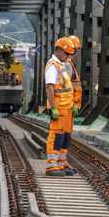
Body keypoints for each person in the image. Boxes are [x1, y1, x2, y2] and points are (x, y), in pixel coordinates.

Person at [44, 37, 77, 176]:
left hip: (67, 108)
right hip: (59, 108)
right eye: (67, 53)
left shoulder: (62, 65)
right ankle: (52, 166)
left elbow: (67, 88)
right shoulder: (53, 66)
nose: (68, 56)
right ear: (59, 50)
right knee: (56, 136)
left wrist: (74, 104)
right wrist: (53, 108)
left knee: (65, 137)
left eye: (70, 54)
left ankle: (61, 163)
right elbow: (50, 88)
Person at [67, 35, 83, 119]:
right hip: (67, 106)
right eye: (75, 51)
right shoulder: (67, 65)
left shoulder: (70, 65)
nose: (76, 54)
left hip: (70, 105)